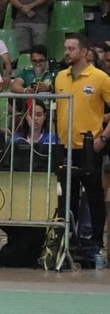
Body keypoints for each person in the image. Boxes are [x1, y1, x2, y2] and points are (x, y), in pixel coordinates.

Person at [54, 35, 110, 251]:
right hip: (64, 146)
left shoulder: (100, 78)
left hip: (89, 148)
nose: (67, 52)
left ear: (85, 51)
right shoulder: (60, 77)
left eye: (72, 48)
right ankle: (69, 240)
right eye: (66, 48)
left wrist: (103, 137)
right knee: (68, 196)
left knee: (94, 195)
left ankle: (96, 241)